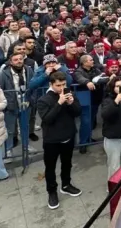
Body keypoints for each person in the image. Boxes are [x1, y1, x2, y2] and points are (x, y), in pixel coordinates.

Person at [37, 71, 82, 209]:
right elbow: (47, 119)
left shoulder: (70, 94)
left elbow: (78, 112)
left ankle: (66, 184)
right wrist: (59, 103)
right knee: (50, 167)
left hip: (68, 136)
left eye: (63, 84)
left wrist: (71, 103)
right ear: (51, 84)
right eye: (58, 85)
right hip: (52, 140)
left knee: (67, 163)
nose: (61, 88)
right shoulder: (43, 100)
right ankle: (52, 192)